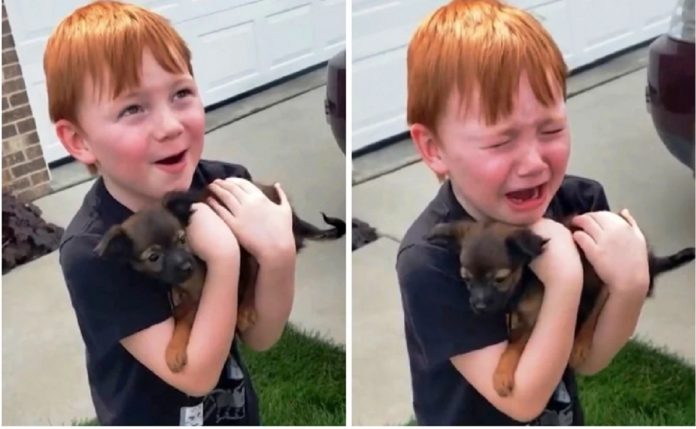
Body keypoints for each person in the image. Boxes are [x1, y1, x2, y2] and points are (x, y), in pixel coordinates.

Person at [396, 0, 650, 425]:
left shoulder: (580, 206)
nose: (533, 163)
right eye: (500, 141)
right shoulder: (432, 260)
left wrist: (630, 285)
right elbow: (521, 400)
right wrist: (565, 275)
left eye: (551, 129)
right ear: (434, 149)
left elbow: (586, 359)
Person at [49, 1, 296, 424]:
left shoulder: (225, 188)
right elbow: (195, 376)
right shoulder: (97, 249)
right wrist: (224, 258)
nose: (168, 125)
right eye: (132, 108)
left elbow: (260, 335)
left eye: (181, 93)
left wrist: (278, 256)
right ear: (79, 141)